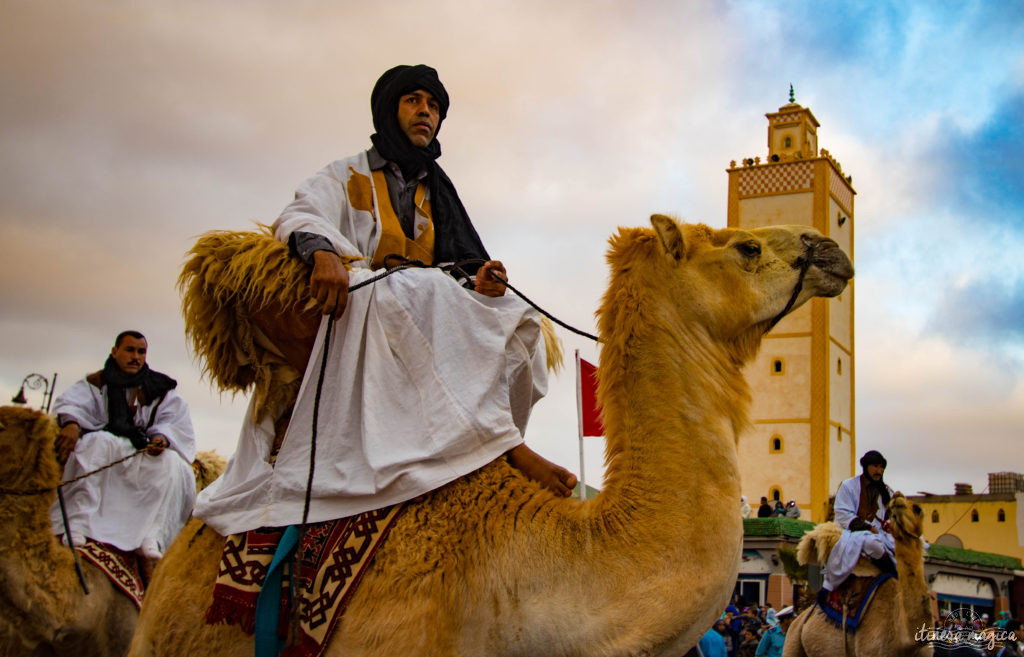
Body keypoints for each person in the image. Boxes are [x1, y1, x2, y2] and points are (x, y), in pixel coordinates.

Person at [194, 65, 576, 536]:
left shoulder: (439, 192)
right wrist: (324, 254)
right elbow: (301, 212)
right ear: (390, 109)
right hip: (361, 298)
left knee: (519, 316)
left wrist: (483, 283)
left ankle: (494, 437)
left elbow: (459, 267)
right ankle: (505, 447)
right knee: (418, 290)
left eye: (434, 106)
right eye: (414, 100)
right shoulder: (347, 172)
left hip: (423, 306)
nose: (425, 112)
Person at [50, 330, 196, 576]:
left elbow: (173, 421)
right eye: (130, 350)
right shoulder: (96, 382)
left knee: (172, 463)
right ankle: (78, 523)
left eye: (141, 352)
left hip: (142, 449)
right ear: (115, 352)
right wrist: (72, 423)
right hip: (107, 447)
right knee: (97, 444)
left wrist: (161, 438)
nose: (135, 357)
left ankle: (151, 535)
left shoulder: (159, 387)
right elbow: (71, 404)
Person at [823, 450, 897, 591]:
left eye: (881, 467)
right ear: (866, 467)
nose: (878, 471)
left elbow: (891, 517)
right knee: (873, 544)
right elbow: (843, 514)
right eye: (875, 466)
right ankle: (893, 575)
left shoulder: (887, 491)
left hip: (880, 534)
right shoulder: (848, 486)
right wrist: (867, 528)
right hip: (852, 533)